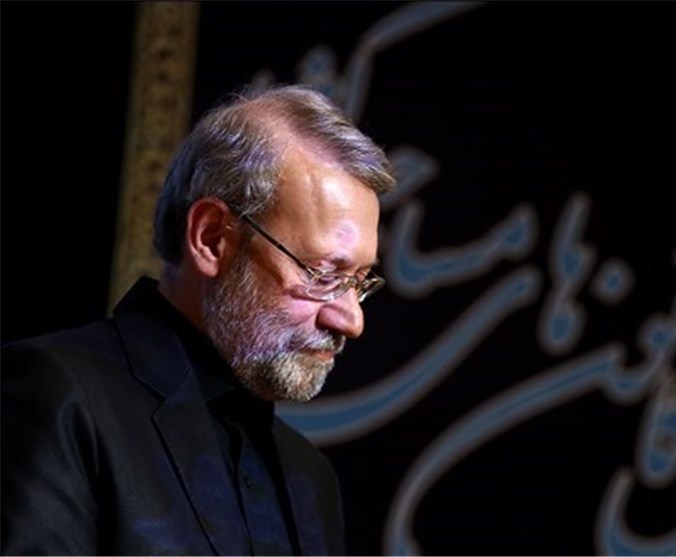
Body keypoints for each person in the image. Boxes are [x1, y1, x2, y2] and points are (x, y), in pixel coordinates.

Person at [1, 83, 396, 556]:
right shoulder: (57, 395)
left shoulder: (311, 477)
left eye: (360, 281)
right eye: (323, 274)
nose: (351, 321)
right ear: (211, 238)